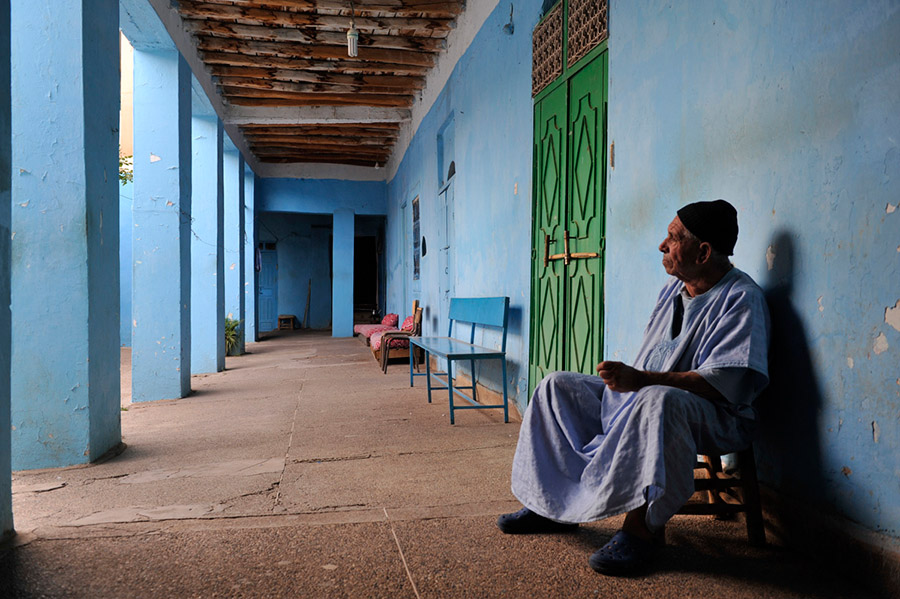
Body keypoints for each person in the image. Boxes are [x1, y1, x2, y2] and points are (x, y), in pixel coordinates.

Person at [498, 200, 770, 576]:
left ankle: (640, 530)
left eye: (673, 239)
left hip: (716, 415)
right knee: (555, 386)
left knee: (659, 401)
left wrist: (642, 381)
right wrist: (630, 382)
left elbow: (726, 384)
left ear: (704, 252)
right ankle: (550, 506)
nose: (662, 245)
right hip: (643, 396)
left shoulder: (741, 298)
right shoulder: (672, 291)